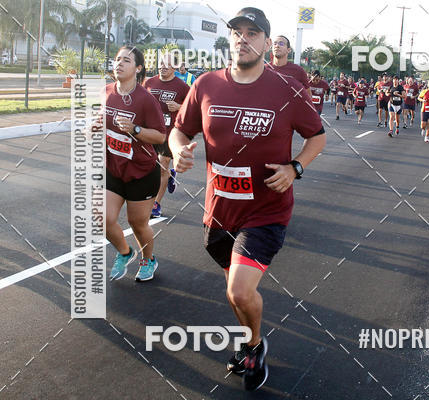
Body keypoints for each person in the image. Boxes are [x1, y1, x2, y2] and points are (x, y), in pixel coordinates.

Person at [168, 7, 326, 391]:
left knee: (239, 289)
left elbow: (317, 136)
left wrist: (295, 168)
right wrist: (177, 151)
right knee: (236, 294)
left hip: (266, 210)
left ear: (267, 43)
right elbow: (179, 130)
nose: (243, 38)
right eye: (237, 31)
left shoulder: (286, 89)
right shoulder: (206, 84)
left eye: (252, 32)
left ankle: (254, 347)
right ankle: (249, 341)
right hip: (219, 211)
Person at [102, 46, 166, 281]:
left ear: (138, 68)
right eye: (117, 59)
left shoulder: (146, 99)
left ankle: (148, 259)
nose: (119, 63)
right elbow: (103, 119)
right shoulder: (106, 91)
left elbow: (160, 137)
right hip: (114, 168)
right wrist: (95, 126)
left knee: (137, 224)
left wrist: (135, 129)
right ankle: (124, 252)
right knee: (102, 219)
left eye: (126, 60)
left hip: (141, 172)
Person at [143, 52, 190, 218]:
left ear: (174, 67)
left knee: (162, 165)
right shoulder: (149, 83)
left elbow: (194, 107)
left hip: (168, 134)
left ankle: (156, 204)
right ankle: (170, 175)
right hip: (149, 132)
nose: (162, 67)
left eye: (167, 64)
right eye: (161, 64)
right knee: (150, 167)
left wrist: (178, 106)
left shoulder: (182, 87)